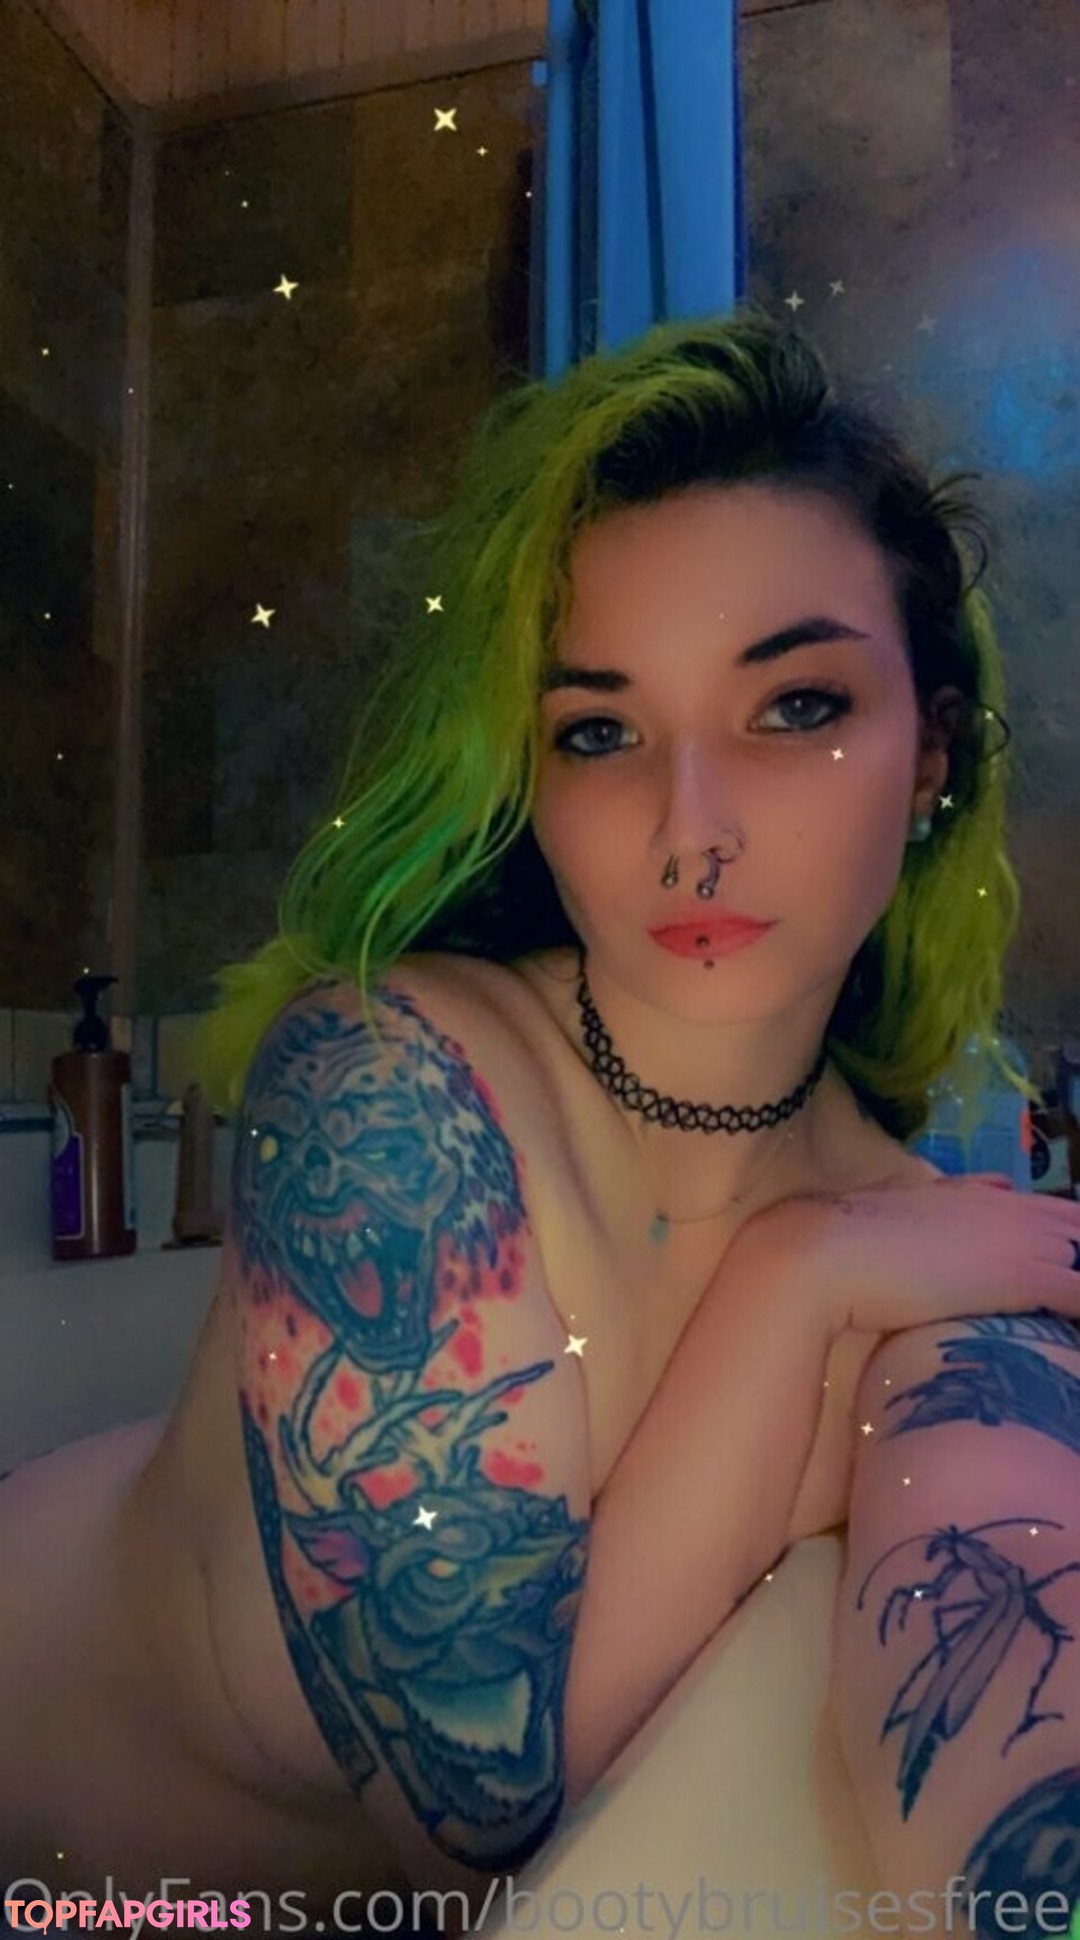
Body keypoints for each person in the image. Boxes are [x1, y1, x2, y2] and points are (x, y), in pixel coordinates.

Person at [2, 308, 1079, 1940]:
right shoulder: (385, 1089)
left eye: (795, 706)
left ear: (929, 749)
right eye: (601, 732)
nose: (692, 828)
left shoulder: (900, 1224)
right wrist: (793, 1279)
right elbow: (489, 1840)